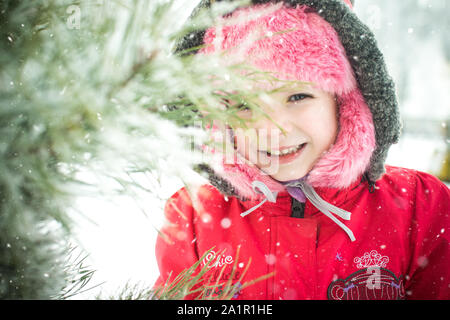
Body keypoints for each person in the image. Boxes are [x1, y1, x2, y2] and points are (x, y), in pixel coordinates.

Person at [153, 0, 450, 300]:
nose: (273, 128)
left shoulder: (419, 210)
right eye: (244, 104)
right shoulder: (193, 220)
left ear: (345, 103)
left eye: (297, 96)